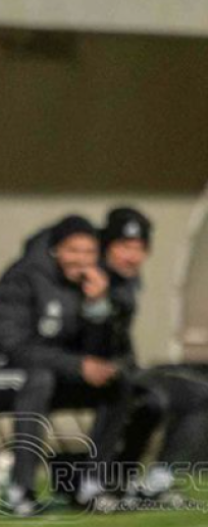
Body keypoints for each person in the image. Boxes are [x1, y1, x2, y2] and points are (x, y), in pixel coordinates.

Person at [0, 215, 128, 516]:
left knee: (118, 383)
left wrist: (98, 307)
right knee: (36, 380)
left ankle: (91, 485)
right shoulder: (24, 277)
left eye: (89, 252)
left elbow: (98, 352)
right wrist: (76, 365)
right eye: (73, 250)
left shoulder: (90, 284)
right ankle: (19, 491)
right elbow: (13, 346)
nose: (82, 259)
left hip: (50, 374)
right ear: (55, 250)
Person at [88, 207, 208, 505]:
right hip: (87, 371)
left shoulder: (126, 280)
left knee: (198, 392)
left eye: (139, 248)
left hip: (124, 369)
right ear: (106, 245)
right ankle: (105, 483)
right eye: (124, 246)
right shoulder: (90, 278)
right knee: (151, 399)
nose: (132, 256)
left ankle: (157, 480)